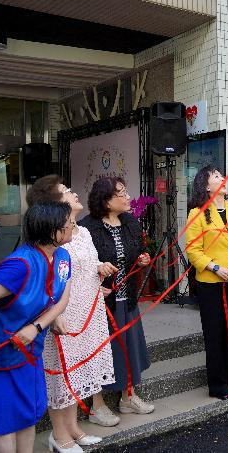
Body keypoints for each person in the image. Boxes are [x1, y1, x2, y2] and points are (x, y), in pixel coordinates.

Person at [27, 177, 116, 451]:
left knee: (80, 372)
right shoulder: (51, 237)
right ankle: (59, 435)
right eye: (67, 191)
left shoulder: (83, 232)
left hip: (88, 311)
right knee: (61, 374)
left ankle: (74, 429)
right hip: (64, 314)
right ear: (55, 204)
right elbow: (48, 279)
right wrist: (53, 316)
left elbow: (84, 265)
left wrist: (100, 268)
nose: (74, 192)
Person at [0, 202, 73, 453]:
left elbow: (62, 301)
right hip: (0, 353)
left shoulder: (63, 257)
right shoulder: (19, 265)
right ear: (51, 230)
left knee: (28, 414)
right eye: (68, 223)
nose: (72, 226)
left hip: (30, 350)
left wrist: (37, 327)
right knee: (4, 422)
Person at [79, 177, 154, 418]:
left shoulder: (130, 222)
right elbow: (81, 266)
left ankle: (128, 397)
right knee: (101, 351)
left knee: (129, 349)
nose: (127, 196)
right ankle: (97, 405)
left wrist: (143, 258)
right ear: (106, 200)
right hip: (102, 303)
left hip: (127, 298)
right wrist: (95, 283)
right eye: (121, 193)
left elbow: (141, 251)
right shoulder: (87, 228)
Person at [185, 166, 228, 399]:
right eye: (216, 177)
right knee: (214, 333)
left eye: (222, 176)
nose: (222, 179)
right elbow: (193, 251)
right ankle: (218, 385)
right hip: (211, 281)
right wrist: (216, 267)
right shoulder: (197, 214)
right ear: (206, 186)